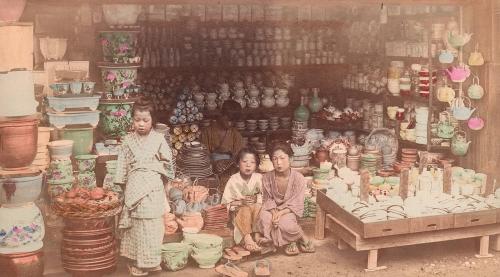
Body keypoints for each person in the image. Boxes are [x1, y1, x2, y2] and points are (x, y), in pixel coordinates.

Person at [114, 98, 175, 276]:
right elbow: (121, 166)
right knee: (137, 226)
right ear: (132, 120)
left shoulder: (159, 139)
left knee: (154, 224)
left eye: (145, 120)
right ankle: (136, 262)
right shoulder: (127, 141)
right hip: (134, 187)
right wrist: (123, 189)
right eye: (137, 120)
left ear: (152, 121)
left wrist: (164, 182)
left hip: (153, 188)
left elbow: (168, 164)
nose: (140, 124)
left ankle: (152, 262)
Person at [258, 142, 315, 256]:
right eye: (274, 159)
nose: (278, 162)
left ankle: (296, 238)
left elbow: (297, 203)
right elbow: (267, 199)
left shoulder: (298, 178)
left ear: (291, 159)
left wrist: (281, 213)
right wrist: (274, 213)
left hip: (289, 210)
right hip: (271, 210)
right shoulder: (266, 177)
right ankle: (290, 241)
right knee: (264, 218)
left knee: (286, 225)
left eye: (282, 158)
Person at [222, 147, 263, 252]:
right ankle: (247, 237)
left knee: (259, 207)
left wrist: (257, 198)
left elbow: (267, 197)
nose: (248, 165)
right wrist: (240, 202)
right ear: (237, 164)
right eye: (244, 161)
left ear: (256, 165)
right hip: (239, 214)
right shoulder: (233, 180)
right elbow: (225, 203)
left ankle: (257, 236)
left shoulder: (259, 178)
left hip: (255, 211)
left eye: (252, 162)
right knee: (245, 209)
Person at [200, 99, 245, 188]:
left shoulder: (236, 135)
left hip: (229, 171)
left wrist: (227, 162)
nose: (230, 123)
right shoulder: (207, 132)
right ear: (221, 114)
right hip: (209, 171)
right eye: (228, 119)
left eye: (233, 121)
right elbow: (203, 154)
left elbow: (238, 156)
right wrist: (214, 163)